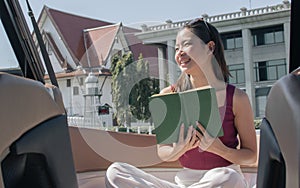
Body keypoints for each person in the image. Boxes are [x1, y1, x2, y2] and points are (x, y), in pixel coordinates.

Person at [105, 18, 257, 188]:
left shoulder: (236, 98)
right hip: (184, 182)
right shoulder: (168, 95)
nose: (179, 53)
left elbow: (251, 155)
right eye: (177, 48)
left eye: (186, 45)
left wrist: (220, 149)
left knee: (228, 177)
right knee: (116, 171)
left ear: (210, 47)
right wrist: (179, 149)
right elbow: (163, 151)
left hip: (222, 179)